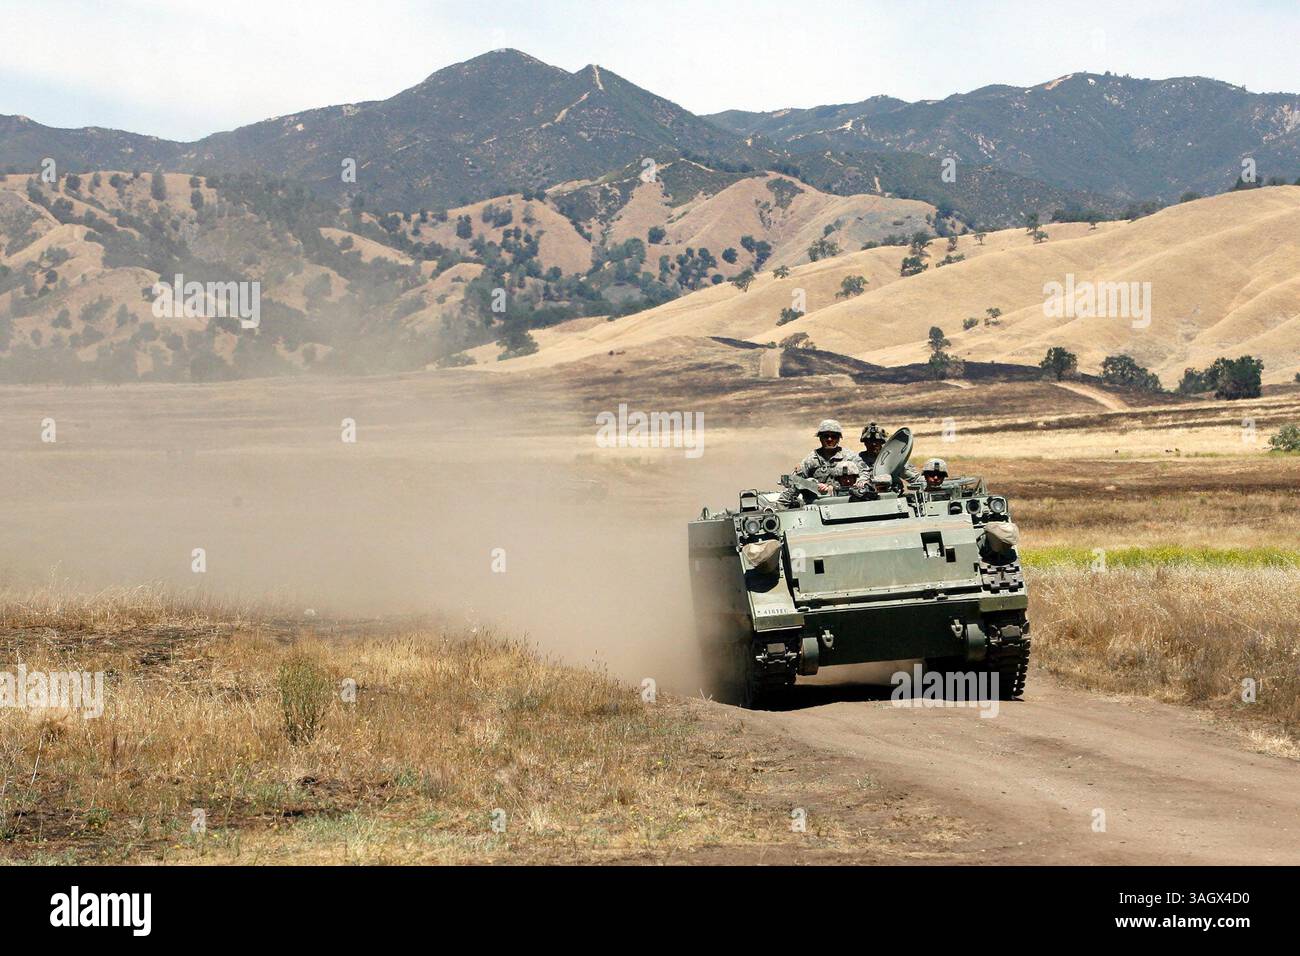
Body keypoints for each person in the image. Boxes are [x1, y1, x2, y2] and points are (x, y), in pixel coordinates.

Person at [857, 421, 920, 487]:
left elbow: (915, 478)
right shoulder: (858, 460)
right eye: (870, 441)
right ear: (865, 443)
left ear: (882, 442)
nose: (873, 444)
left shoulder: (894, 460)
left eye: (877, 441)